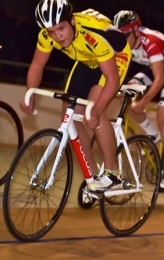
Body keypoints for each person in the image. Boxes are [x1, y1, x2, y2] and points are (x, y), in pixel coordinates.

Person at [22, 0, 131, 192]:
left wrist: (97, 110)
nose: (57, 36)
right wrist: (30, 92)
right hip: (87, 58)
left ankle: (113, 174)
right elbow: (37, 66)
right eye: (51, 32)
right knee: (70, 115)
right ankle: (92, 178)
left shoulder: (93, 35)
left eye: (61, 28)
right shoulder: (47, 35)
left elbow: (112, 79)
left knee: (92, 112)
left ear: (72, 21)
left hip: (113, 55)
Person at [113, 10, 164, 189]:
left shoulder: (150, 40)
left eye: (125, 35)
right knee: (125, 95)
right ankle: (152, 134)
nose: (121, 40)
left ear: (136, 31)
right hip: (152, 67)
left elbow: (160, 79)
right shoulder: (124, 43)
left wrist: (143, 103)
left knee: (163, 116)